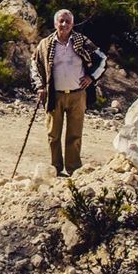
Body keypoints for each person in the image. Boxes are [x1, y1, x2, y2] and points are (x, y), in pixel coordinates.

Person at [30, 9, 107, 176]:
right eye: (61, 21)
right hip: (54, 95)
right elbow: (35, 66)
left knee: (75, 134)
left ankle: (74, 169)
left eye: (68, 21)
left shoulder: (82, 41)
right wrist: (40, 87)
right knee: (53, 134)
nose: (64, 24)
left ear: (72, 24)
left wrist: (91, 77)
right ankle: (55, 168)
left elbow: (102, 60)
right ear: (55, 23)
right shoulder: (45, 44)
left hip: (77, 95)